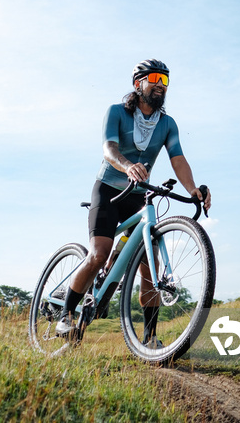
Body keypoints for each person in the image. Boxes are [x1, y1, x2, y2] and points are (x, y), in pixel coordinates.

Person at [56, 58, 212, 347]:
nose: (160, 85)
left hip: (138, 196)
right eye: (154, 78)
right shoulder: (116, 112)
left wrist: (192, 189)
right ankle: (65, 313)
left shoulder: (167, 124)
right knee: (99, 254)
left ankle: (150, 338)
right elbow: (109, 149)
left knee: (148, 265)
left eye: (165, 80)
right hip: (108, 191)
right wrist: (127, 166)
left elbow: (177, 158)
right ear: (138, 83)